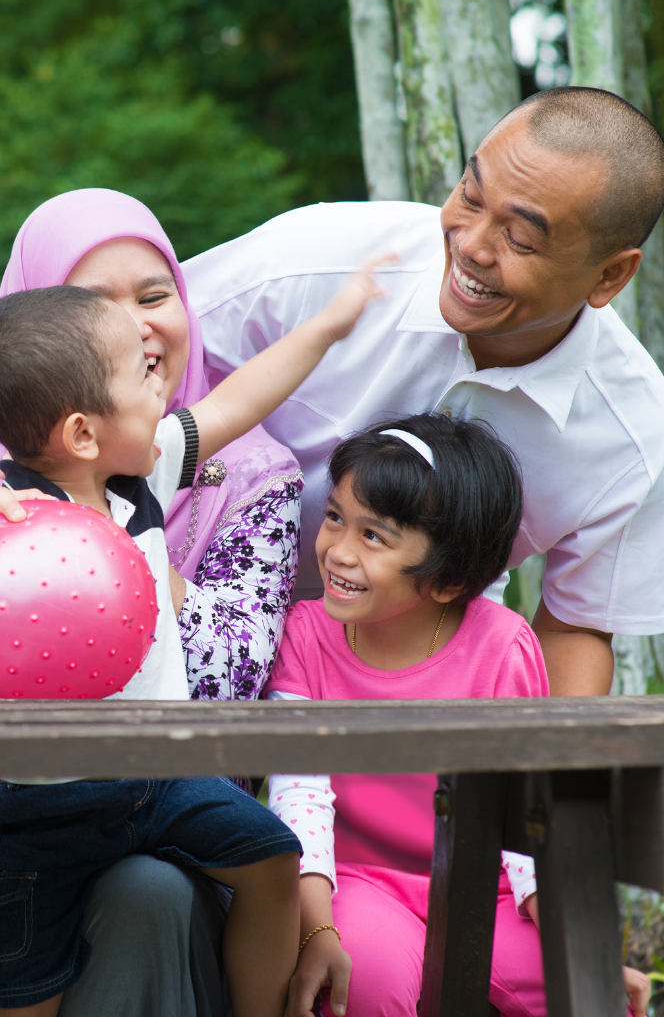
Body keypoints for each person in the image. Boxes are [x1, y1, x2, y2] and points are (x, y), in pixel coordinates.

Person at [0, 87, 664, 700]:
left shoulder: (630, 437)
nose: (470, 243)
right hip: (193, 665)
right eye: (470, 194)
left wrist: (552, 846)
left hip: (396, 686)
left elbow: (576, 628)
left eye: (521, 236)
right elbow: (86, 363)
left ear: (609, 274)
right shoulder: (319, 266)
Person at [0, 190, 306, 1017]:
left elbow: (232, 681)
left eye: (155, 296)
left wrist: (116, 557)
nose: (139, 326)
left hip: (161, 785)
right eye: (93, 305)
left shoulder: (253, 472)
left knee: (151, 896)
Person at [0, 265, 382, 1016]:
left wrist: (330, 323)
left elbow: (237, 402)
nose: (166, 391)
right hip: (38, 807)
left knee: (271, 860)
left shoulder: (134, 479)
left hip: (159, 777)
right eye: (143, 376)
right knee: (23, 987)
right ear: (85, 431)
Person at [263, 415, 650, 1017]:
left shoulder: (502, 646)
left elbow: (525, 815)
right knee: (364, 979)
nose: (336, 551)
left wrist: (581, 944)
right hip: (358, 880)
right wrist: (317, 931)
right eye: (336, 516)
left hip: (486, 885)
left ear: (446, 579)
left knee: (589, 991)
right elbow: (299, 800)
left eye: (374, 537)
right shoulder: (305, 635)